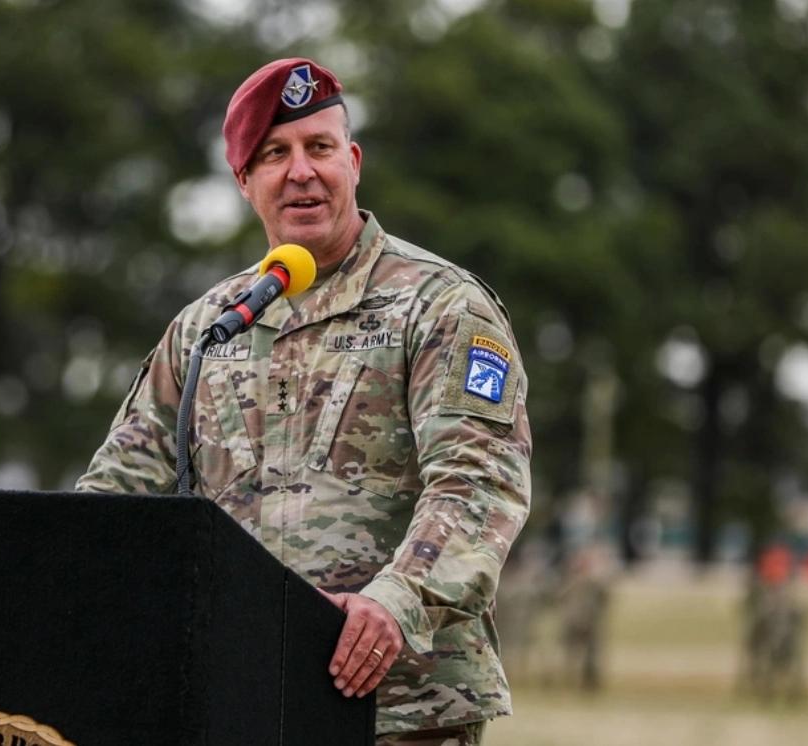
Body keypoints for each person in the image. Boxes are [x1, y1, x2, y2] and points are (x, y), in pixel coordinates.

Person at [78, 58, 532, 745]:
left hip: (395, 710)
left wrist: (393, 604)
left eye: (320, 148)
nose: (301, 171)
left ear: (352, 161)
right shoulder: (207, 329)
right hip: (237, 702)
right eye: (275, 155)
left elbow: (477, 488)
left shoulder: (438, 305)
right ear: (244, 181)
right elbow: (113, 498)